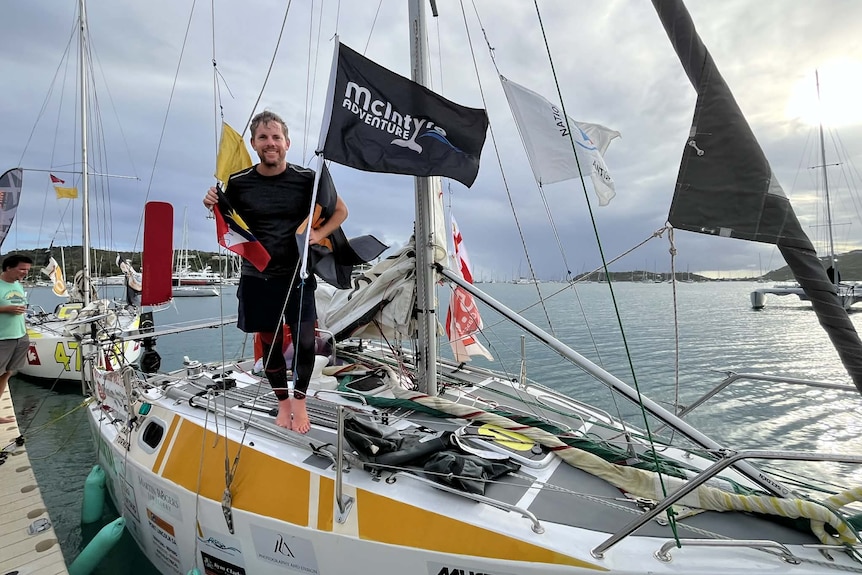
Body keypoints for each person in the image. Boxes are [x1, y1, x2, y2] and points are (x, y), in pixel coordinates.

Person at [203, 110, 347, 434]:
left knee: (306, 343)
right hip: (258, 275)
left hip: (297, 274)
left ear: (287, 143)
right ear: (254, 143)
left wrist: (319, 235)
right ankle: (282, 402)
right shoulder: (239, 182)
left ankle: (299, 401)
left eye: (276, 137)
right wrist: (210, 201)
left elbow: (340, 211)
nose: (271, 143)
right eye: (264, 138)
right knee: (269, 344)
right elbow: (224, 217)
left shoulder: (307, 179)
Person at [0, 254, 33, 424]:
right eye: (22, 269)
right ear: (8, 268)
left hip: (20, 336)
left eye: (27, 270)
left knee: (7, 373)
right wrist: (6, 309)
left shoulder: (18, 285)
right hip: (2, 338)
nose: (25, 273)